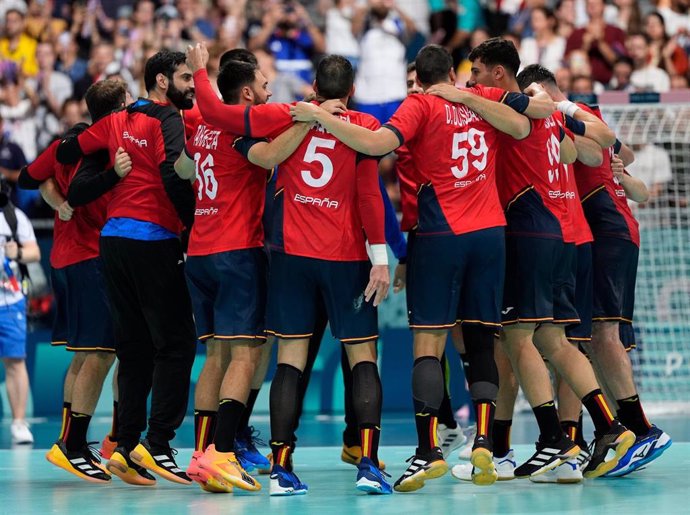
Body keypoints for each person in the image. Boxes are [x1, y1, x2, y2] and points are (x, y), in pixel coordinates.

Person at [290, 43, 547, 490]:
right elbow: (525, 127)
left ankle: (428, 451)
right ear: (452, 71)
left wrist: (322, 116)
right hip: (490, 234)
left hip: (440, 232)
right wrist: (470, 97)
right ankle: (484, 441)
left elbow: (375, 144)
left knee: (427, 345)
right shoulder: (481, 100)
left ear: (421, 80)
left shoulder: (420, 106)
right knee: (482, 341)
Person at [187, 44, 391, 496]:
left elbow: (216, 118)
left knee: (288, 361)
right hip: (346, 258)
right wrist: (380, 258)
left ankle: (281, 469)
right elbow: (369, 197)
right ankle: (369, 464)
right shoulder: (365, 126)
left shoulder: (283, 115)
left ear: (314, 87)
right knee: (362, 358)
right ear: (352, 91)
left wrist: (200, 72)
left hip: (291, 258)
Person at [431, 38, 635, 480]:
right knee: (552, 342)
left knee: (518, 340)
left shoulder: (510, 109)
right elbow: (601, 142)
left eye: (478, 73)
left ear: (498, 75)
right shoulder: (549, 113)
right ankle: (606, 427)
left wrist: (461, 95)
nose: (472, 81)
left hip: (528, 231)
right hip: (563, 234)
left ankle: (553, 440)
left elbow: (533, 127)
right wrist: (563, 109)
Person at [55, 50, 197, 487]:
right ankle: (156, 444)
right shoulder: (166, 117)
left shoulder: (116, 121)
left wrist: (113, 173)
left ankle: (124, 447)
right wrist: (191, 226)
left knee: (133, 348)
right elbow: (175, 173)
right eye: (185, 77)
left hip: (112, 244)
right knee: (178, 345)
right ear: (161, 81)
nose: (191, 85)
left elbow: (69, 159)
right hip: (152, 240)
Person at [175, 58, 312, 494]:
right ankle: (222, 453)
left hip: (198, 250)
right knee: (246, 356)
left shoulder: (205, 129)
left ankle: (199, 455)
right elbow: (271, 154)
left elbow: (181, 169)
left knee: (215, 357)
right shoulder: (246, 126)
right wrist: (310, 120)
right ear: (247, 94)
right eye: (265, 85)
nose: (271, 92)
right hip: (236, 251)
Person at [17, 80, 130, 483]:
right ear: (117, 109)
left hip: (67, 260)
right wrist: (63, 200)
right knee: (100, 354)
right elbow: (32, 182)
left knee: (85, 355)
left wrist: (54, 197)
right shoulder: (97, 147)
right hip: (90, 259)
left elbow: (30, 178)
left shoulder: (68, 143)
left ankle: (74, 443)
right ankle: (73, 444)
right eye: (127, 102)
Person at [570, 100, 672, 478]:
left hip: (609, 232)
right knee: (597, 338)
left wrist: (620, 174)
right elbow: (625, 159)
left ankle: (642, 429)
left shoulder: (572, 115)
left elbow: (636, 183)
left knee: (602, 333)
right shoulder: (596, 134)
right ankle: (622, 431)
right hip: (608, 233)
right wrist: (621, 170)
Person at [0, 177, 39, 445]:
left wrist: (17, 253)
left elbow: (35, 253)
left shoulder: (14, 217)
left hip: (9, 300)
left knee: (15, 361)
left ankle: (19, 422)